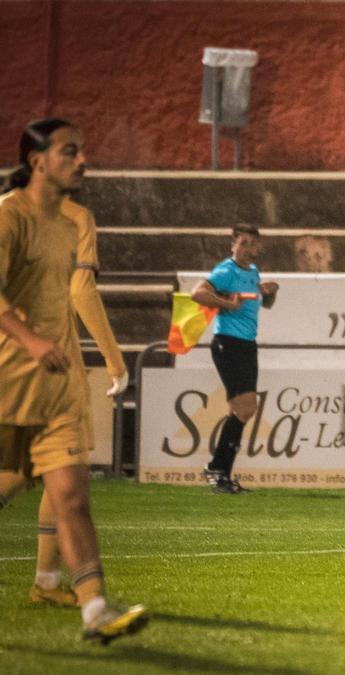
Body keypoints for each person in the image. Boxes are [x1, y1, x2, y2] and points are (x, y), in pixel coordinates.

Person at [0, 118, 148, 642]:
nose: (83, 160)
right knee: (11, 483)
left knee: (72, 494)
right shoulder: (9, 216)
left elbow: (76, 293)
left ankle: (94, 610)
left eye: (82, 151)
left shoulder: (72, 221)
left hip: (56, 382)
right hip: (9, 381)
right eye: (70, 151)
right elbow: (80, 294)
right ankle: (48, 583)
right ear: (37, 161)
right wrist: (110, 359)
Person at [190, 225, 278, 494]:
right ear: (233, 245)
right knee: (245, 408)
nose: (247, 248)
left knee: (241, 410)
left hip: (246, 345)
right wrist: (228, 304)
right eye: (243, 243)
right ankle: (217, 470)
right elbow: (197, 293)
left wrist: (269, 292)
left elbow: (264, 304)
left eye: (252, 244)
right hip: (228, 343)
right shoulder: (226, 270)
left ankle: (221, 474)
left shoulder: (252, 272)